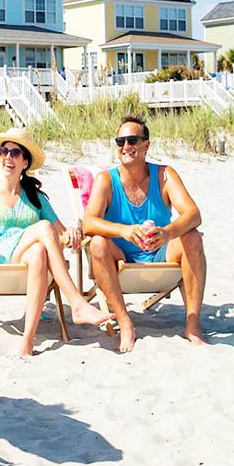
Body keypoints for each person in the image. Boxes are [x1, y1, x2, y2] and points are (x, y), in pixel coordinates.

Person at [0, 127, 113, 356]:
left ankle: (27, 341)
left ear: (25, 163)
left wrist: (71, 233)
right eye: (4, 151)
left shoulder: (36, 198)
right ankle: (77, 303)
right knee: (42, 228)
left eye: (15, 153)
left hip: (26, 262)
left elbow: (60, 234)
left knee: (39, 250)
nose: (8, 157)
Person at [83, 115, 207, 353]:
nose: (126, 147)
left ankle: (192, 325)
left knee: (193, 236)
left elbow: (193, 214)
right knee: (97, 244)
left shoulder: (164, 175)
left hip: (160, 251)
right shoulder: (106, 180)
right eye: (120, 142)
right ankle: (124, 321)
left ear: (146, 144)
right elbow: (88, 223)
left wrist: (168, 232)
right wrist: (125, 231)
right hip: (121, 256)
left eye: (132, 140)